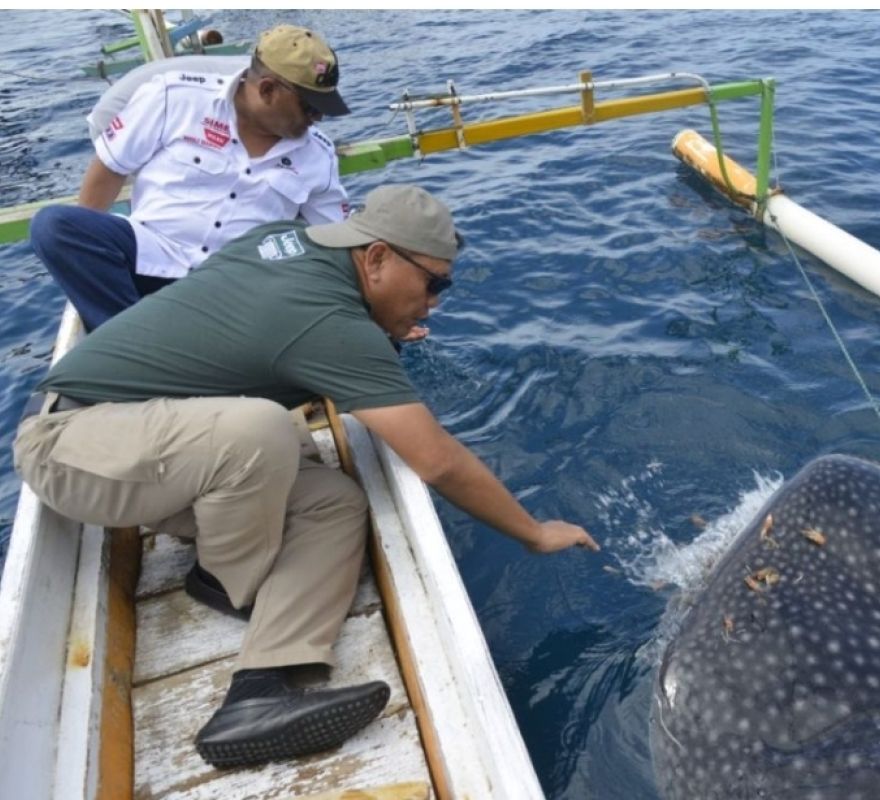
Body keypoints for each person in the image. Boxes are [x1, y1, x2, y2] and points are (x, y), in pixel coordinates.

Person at [13, 184, 599, 767]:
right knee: (263, 431)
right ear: (376, 258)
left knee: (335, 502)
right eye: (433, 283)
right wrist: (534, 533)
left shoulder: (287, 242)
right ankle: (223, 576)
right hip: (72, 442)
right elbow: (437, 459)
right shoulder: (332, 322)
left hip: (155, 448)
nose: (434, 304)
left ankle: (259, 692)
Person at [29, 23, 351, 332]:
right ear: (267, 89)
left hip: (240, 290)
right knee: (54, 226)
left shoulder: (318, 156)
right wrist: (90, 257)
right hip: (152, 258)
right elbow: (110, 167)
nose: (318, 118)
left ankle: (141, 349)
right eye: (310, 108)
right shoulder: (173, 97)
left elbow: (334, 241)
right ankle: (132, 340)